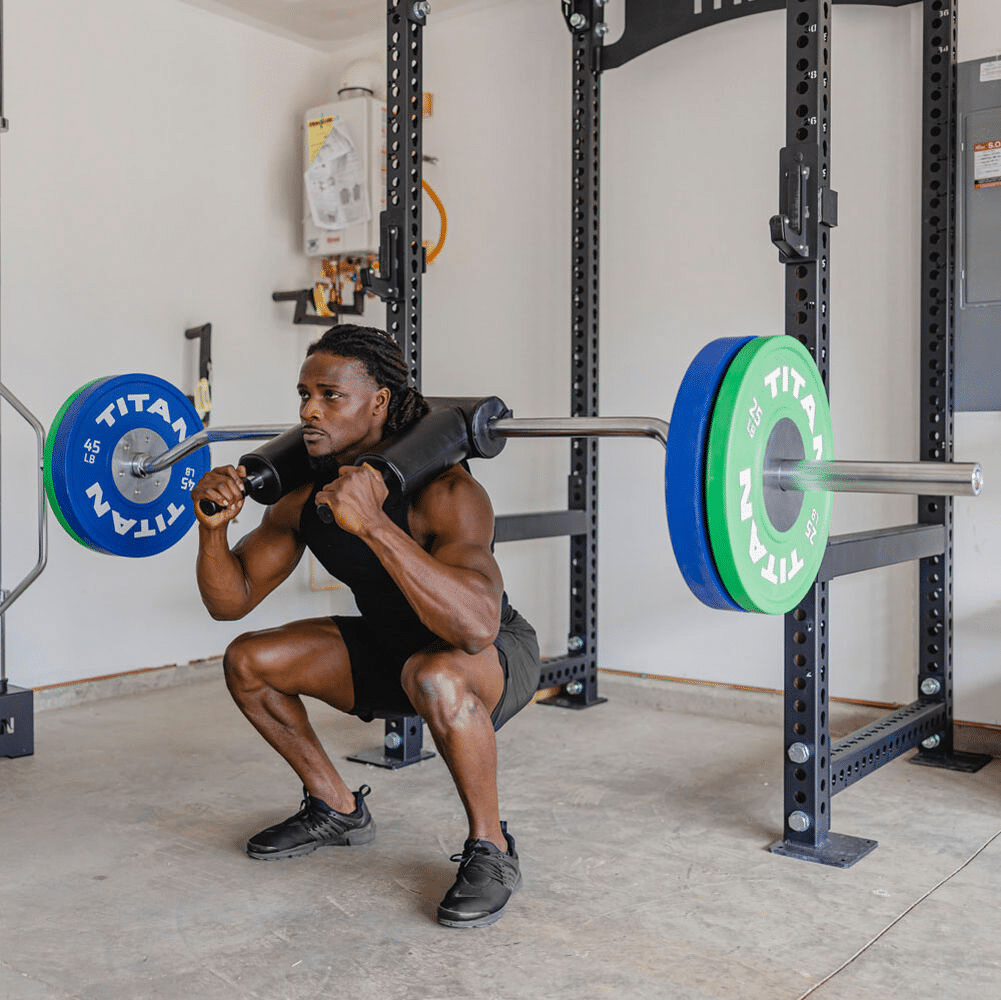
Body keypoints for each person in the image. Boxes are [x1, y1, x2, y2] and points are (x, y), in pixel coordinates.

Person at [191, 324, 541, 929]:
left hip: (486, 657)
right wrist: (214, 528)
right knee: (248, 660)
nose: (309, 412)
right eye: (304, 394)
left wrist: (375, 525)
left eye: (331, 395)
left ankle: (493, 847)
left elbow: (477, 626)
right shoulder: (303, 496)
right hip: (391, 648)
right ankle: (335, 806)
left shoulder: (450, 493)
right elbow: (232, 599)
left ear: (379, 402)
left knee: (436, 676)